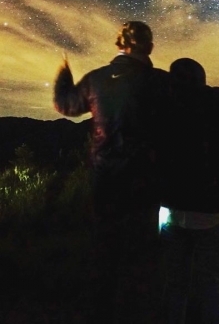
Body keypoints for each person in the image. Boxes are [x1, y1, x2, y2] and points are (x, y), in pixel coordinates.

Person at [53, 21, 170, 323]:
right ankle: (136, 312)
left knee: (104, 249)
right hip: (146, 182)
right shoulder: (161, 82)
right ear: (150, 47)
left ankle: (100, 311)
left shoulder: (96, 79)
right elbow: (198, 102)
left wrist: (64, 75)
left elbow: (65, 105)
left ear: (119, 45)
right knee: (141, 254)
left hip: (105, 180)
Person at [159, 58, 219, 324]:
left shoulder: (162, 117)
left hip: (171, 210)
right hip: (214, 210)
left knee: (175, 282)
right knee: (213, 285)